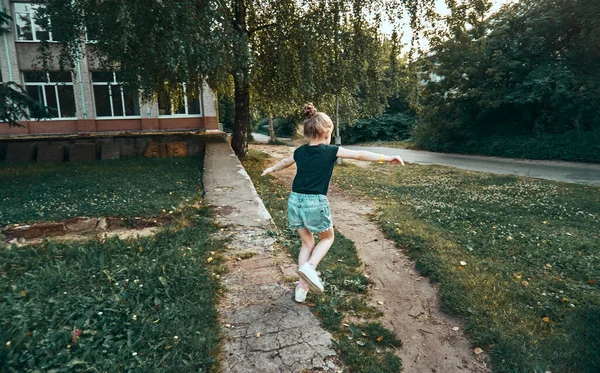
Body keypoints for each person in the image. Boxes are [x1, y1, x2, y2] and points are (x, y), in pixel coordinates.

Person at [261, 103, 405, 303]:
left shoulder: (300, 151)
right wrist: (387, 157)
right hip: (314, 201)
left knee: (307, 242)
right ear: (326, 132)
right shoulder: (331, 150)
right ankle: (309, 268)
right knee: (327, 238)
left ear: (309, 132)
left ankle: (302, 288)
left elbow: (285, 162)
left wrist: (271, 169)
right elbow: (360, 155)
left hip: (294, 200)